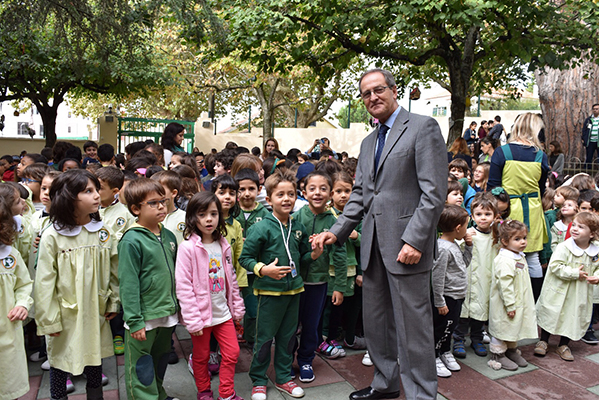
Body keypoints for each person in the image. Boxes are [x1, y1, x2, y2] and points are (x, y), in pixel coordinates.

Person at [312, 68, 447, 400]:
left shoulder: (422, 128)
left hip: (406, 248)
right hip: (372, 248)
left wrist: (415, 239)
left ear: (393, 90)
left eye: (378, 90)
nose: (372, 97)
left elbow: (434, 193)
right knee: (376, 325)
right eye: (365, 94)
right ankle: (385, 385)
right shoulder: (369, 141)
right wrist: (337, 231)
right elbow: (361, 195)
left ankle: (421, 394)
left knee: (413, 330)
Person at [34, 170, 119, 400]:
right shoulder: (53, 235)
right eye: (88, 191)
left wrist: (113, 301)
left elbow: (114, 270)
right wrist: (49, 319)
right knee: (60, 361)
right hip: (64, 314)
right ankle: (58, 396)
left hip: (95, 310)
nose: (96, 196)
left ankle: (95, 396)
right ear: (69, 197)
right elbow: (44, 281)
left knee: (94, 357)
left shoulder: (102, 232)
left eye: (96, 190)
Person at [239, 170, 323, 400]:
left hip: (294, 291)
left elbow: (303, 259)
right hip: (268, 293)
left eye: (291, 194)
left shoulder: (297, 227)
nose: (286, 199)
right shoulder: (261, 228)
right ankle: (258, 379)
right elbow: (244, 259)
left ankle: (284, 377)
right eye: (280, 195)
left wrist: (314, 255)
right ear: (268, 200)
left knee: (288, 338)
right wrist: (264, 270)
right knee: (265, 338)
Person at [176, 192, 245, 400]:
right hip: (201, 317)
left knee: (232, 353)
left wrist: (237, 308)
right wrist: (193, 320)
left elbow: (231, 278)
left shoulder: (223, 244)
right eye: (202, 214)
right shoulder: (187, 248)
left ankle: (226, 394)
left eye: (213, 214)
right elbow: (183, 286)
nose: (209, 219)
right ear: (192, 218)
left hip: (223, 313)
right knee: (202, 357)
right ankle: (204, 392)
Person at [118, 178, 180, 400]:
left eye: (163, 201)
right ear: (136, 209)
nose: (162, 206)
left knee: (160, 359)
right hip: (143, 317)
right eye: (153, 203)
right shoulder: (132, 240)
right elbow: (128, 282)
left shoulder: (169, 235)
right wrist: (134, 320)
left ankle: (159, 394)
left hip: (166, 312)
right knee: (141, 366)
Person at [488, 113, 549, 302]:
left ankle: (505, 300)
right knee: (532, 259)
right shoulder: (540, 156)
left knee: (504, 255)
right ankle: (532, 302)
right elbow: (541, 188)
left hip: (508, 210)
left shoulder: (502, 152)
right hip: (533, 210)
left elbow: (493, 187)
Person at [293, 171, 347, 382]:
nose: (317, 193)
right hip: (295, 283)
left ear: (331, 194)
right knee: (290, 325)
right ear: (304, 192)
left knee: (311, 324)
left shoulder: (335, 222)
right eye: (312, 189)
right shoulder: (296, 217)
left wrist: (339, 287)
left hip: (318, 283)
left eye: (323, 189)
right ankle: (287, 360)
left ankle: (306, 359)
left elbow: (340, 255)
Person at [535, 212, 599, 361]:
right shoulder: (564, 247)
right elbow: (555, 266)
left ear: (592, 234)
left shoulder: (595, 250)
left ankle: (563, 344)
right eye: (574, 225)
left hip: (579, 291)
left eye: (581, 227)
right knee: (552, 311)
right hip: (559, 288)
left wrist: (596, 276)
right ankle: (544, 340)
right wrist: (574, 272)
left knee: (573, 314)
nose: (575, 229)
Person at [452, 193, 499, 360]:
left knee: (481, 312)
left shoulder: (496, 237)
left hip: (485, 280)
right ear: (472, 216)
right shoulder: (469, 233)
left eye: (487, 214)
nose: (483, 218)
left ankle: (477, 339)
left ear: (495, 216)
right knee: (463, 313)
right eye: (479, 214)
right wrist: (464, 239)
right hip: (468, 280)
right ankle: (458, 340)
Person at [487, 220, 537, 371]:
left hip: (519, 300)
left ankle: (511, 350)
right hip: (506, 302)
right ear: (504, 241)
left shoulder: (518, 255)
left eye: (524, 238)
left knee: (514, 326)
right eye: (517, 239)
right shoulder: (505, 260)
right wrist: (510, 304)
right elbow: (505, 285)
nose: (523, 242)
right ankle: (498, 354)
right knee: (502, 326)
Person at [432, 205, 472, 378]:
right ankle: (433, 356)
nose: (467, 229)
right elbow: (437, 277)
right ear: (458, 228)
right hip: (447, 298)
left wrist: (469, 246)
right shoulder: (443, 249)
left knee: (450, 327)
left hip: (457, 296)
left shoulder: (454, 244)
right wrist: (440, 302)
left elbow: (464, 264)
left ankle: (445, 351)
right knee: (442, 328)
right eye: (466, 226)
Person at [0, 195, 33, 400]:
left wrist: (22, 304)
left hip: (7, 327)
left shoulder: (9, 255)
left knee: (8, 377)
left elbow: (23, 284)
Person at [234, 168, 270, 344]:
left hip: (255, 269)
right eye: (241, 189)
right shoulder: (231, 213)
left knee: (253, 307)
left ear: (259, 189)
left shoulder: (265, 214)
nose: (246, 194)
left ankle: (251, 338)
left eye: (251, 189)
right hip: (233, 269)